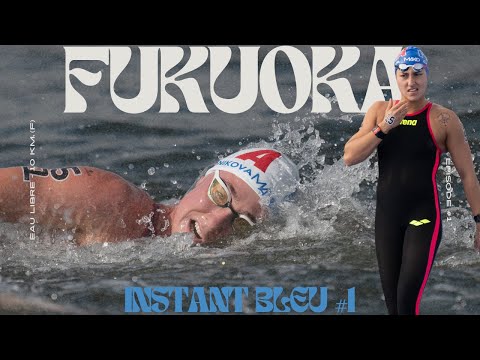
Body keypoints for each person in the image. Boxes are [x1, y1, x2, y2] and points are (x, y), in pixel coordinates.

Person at [344, 46, 480, 315]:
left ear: (427, 75)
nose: (411, 81)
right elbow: (350, 156)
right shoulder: (380, 111)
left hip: (424, 217)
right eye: (404, 74)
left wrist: (479, 221)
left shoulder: (443, 119)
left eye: (417, 74)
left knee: (407, 301)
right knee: (394, 306)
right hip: (387, 220)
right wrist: (385, 127)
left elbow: (467, 175)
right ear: (396, 77)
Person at [0, 147, 299, 246]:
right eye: (220, 193)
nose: (213, 223)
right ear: (202, 179)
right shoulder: (108, 201)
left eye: (242, 222)